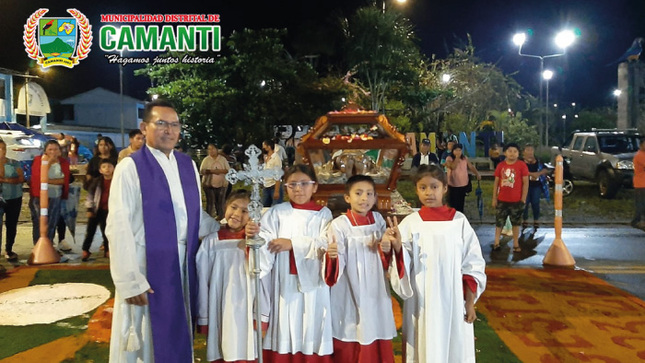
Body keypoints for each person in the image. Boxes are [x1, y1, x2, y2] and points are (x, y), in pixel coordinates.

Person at [106, 99, 219, 362]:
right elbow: (118, 226)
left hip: (182, 263)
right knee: (146, 338)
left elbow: (191, 215)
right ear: (144, 128)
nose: (169, 130)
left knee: (177, 329)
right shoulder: (130, 167)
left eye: (175, 124)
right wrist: (129, 281)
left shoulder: (187, 164)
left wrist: (226, 229)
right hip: (145, 266)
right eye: (161, 123)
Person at [391, 164, 486, 362]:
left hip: (454, 298)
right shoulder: (410, 223)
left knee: (454, 347)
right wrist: (398, 248)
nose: (429, 193)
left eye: (434, 187)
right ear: (416, 190)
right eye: (423, 187)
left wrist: (469, 302)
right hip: (422, 301)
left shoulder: (458, 221)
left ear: (444, 188)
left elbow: (472, 263)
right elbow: (400, 265)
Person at [246, 164, 333, 362]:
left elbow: (325, 243)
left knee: (312, 322)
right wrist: (255, 235)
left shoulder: (323, 214)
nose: (298, 189)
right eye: (292, 184)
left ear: (315, 187)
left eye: (304, 184)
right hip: (283, 279)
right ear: (285, 187)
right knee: (284, 323)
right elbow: (265, 240)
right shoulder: (277, 212)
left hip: (313, 283)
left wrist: (293, 244)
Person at [325, 175, 411, 363]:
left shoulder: (379, 220)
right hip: (349, 287)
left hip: (375, 286)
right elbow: (334, 259)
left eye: (369, 194)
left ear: (375, 198)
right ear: (347, 197)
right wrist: (332, 255)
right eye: (358, 193)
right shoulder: (339, 225)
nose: (364, 198)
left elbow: (385, 253)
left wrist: (386, 246)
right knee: (351, 328)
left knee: (375, 326)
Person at [196, 190, 261, 362]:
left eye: (245, 211)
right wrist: (204, 315)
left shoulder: (256, 242)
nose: (237, 214)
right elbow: (202, 279)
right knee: (222, 346)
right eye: (234, 207)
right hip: (219, 305)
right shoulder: (212, 241)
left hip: (247, 306)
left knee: (245, 347)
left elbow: (263, 279)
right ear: (225, 206)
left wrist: (260, 313)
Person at [29, 140, 70, 246]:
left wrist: (49, 180)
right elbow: (38, 179)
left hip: (56, 196)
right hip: (40, 197)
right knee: (40, 222)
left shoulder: (63, 162)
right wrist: (49, 163)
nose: (53, 152)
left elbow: (64, 180)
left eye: (56, 149)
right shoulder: (39, 160)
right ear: (45, 150)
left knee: (52, 221)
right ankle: (38, 245)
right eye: (50, 149)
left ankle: (49, 244)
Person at [492, 142, 529, 253]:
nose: (512, 154)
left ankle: (516, 244)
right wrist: (494, 198)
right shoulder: (501, 166)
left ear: (518, 153)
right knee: (499, 222)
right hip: (502, 199)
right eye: (510, 151)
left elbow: (525, 183)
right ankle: (496, 242)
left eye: (515, 151)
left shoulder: (521, 165)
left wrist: (523, 198)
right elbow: (496, 183)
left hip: (516, 200)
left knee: (516, 223)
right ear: (505, 153)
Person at [81, 158, 115, 261]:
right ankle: (85, 250)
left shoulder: (117, 181)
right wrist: (89, 209)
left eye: (109, 166)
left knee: (107, 231)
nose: (107, 169)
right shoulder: (96, 182)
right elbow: (90, 196)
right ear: (100, 170)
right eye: (104, 167)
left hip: (109, 210)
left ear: (114, 168)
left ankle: (108, 250)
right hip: (96, 210)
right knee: (90, 231)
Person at [0, 140, 24, 261]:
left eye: (3, 148)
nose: (1, 151)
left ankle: (9, 249)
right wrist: (10, 179)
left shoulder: (14, 163)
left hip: (14, 197)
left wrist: (4, 180)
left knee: (11, 224)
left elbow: (20, 178)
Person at [445, 143, 481, 213]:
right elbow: (453, 167)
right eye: (456, 150)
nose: (458, 152)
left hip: (463, 184)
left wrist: (477, 173)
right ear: (453, 151)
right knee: (453, 203)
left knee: (461, 202)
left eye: (460, 150)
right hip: (453, 185)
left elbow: (470, 166)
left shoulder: (464, 158)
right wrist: (457, 158)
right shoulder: (449, 158)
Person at [199, 143, 230, 219]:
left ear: (217, 150)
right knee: (210, 202)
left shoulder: (223, 159)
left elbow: (228, 170)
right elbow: (201, 171)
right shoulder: (206, 160)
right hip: (209, 185)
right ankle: (208, 218)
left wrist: (220, 171)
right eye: (209, 149)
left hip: (222, 184)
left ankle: (221, 217)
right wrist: (211, 171)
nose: (211, 151)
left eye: (213, 149)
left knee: (220, 202)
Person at [522, 144, 549, 229]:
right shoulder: (521, 162)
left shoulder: (538, 161)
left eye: (531, 150)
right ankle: (525, 220)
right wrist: (531, 174)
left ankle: (536, 220)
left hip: (536, 185)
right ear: (524, 152)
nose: (530, 152)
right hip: (524, 186)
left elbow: (545, 169)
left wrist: (538, 174)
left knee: (535, 203)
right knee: (524, 203)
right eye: (528, 150)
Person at [261, 139, 283, 207]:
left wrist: (276, 191)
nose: (263, 148)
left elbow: (278, 175)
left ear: (269, 147)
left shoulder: (276, 158)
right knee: (264, 208)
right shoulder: (266, 157)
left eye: (264, 146)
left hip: (273, 186)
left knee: (275, 207)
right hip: (266, 186)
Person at [631, 138, 645, 229]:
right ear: (641, 145)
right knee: (641, 203)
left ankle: (638, 221)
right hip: (641, 183)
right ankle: (637, 221)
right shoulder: (640, 155)